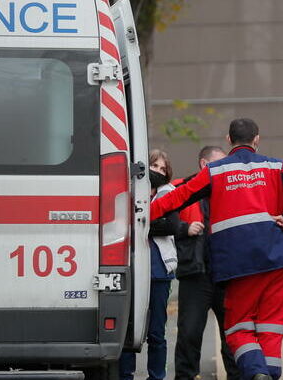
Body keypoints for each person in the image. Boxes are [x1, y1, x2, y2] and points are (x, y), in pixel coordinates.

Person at [150, 118, 283, 380]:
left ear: (229, 140)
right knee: (270, 327)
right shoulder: (274, 165)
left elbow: (177, 197)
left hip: (239, 264)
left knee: (238, 327)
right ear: (257, 139)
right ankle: (268, 374)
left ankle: (256, 372)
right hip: (279, 259)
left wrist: (143, 212)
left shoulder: (216, 171)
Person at [173, 146, 241, 380]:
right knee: (189, 334)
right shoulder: (180, 188)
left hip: (227, 274)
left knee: (233, 335)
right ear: (204, 164)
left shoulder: (233, 190)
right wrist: (184, 228)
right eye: (219, 163)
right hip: (195, 273)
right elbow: (158, 222)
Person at [120, 149, 179, 380]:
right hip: (131, 268)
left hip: (159, 271)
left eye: (163, 169)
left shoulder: (168, 193)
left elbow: (172, 226)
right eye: (155, 166)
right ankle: (125, 375)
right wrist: (150, 224)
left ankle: (156, 376)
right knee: (128, 329)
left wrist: (141, 226)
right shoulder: (129, 192)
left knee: (157, 332)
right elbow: (122, 224)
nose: (159, 172)